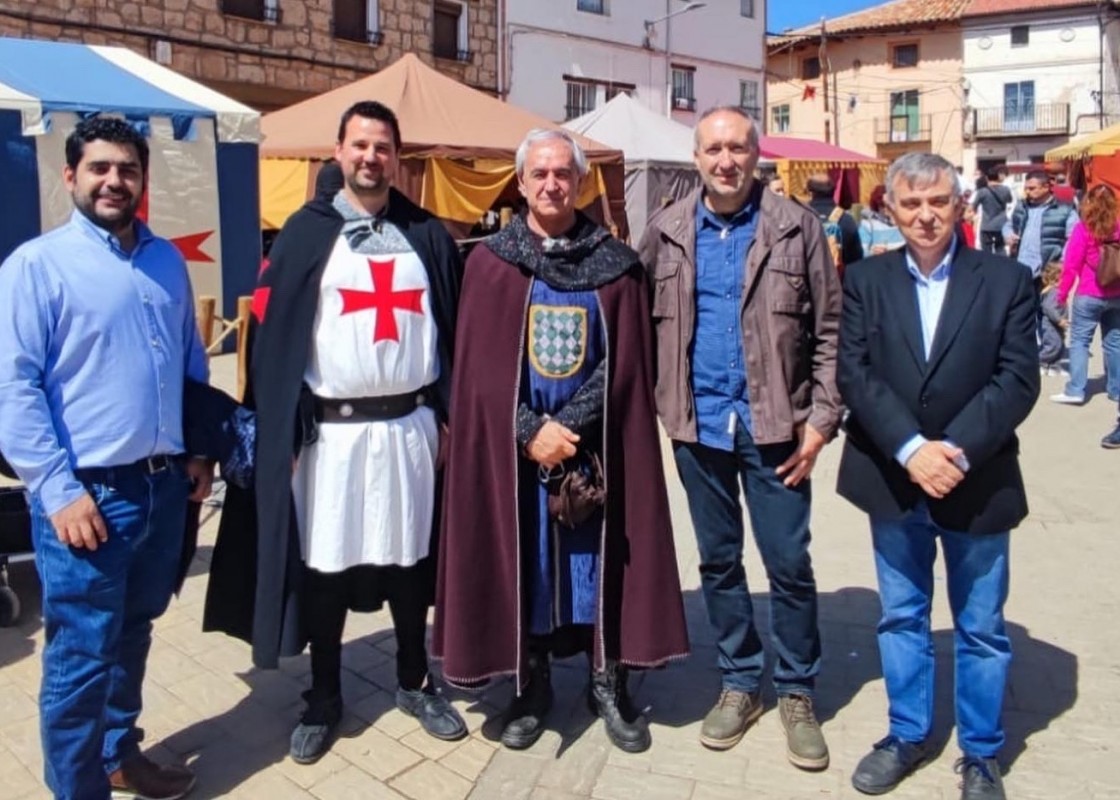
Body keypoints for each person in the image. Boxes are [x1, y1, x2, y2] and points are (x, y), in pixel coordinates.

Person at [202, 100, 467, 764]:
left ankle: (414, 677)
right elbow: (271, 343)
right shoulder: (303, 233)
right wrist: (279, 429)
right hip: (329, 437)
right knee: (325, 564)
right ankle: (323, 695)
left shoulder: (428, 235)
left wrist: (451, 419)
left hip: (410, 429)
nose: (370, 157)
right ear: (339, 152)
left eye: (382, 147)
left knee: (411, 558)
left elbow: (456, 335)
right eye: (359, 145)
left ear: (396, 157)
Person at [433, 129, 688, 754]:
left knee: (598, 564)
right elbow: (475, 372)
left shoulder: (617, 266)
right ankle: (532, 682)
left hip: (595, 447)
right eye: (539, 174)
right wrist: (527, 431)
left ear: (581, 183)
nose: (551, 184)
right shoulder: (490, 264)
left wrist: (568, 425)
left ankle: (606, 681)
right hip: (517, 454)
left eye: (563, 174)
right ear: (520, 183)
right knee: (531, 565)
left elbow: (629, 361)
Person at [0, 117, 211, 800]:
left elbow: (190, 360)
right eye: (100, 168)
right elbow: (13, 387)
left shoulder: (165, 261)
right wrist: (57, 492)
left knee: (135, 633)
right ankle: (78, 788)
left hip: (162, 489)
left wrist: (200, 449)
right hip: (87, 501)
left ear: (143, 180)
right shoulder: (36, 267)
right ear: (71, 177)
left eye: (127, 169)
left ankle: (120, 755)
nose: (114, 180)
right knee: (81, 659)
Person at [638, 106, 843, 770]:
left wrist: (822, 420)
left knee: (787, 562)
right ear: (696, 158)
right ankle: (737, 680)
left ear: (758, 155)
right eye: (712, 149)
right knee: (718, 561)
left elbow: (832, 330)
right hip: (698, 427)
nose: (725, 160)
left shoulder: (797, 228)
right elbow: (639, 325)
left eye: (737, 148)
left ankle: (796, 689)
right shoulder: (666, 231)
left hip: (778, 425)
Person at [836, 152, 1039, 800]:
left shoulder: (1005, 280)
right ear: (890, 210)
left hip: (975, 479)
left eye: (938, 202)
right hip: (893, 479)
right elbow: (854, 374)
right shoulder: (865, 281)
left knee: (980, 625)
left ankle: (980, 753)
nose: (926, 215)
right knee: (901, 615)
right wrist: (907, 447)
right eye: (912, 203)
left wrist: (951, 450)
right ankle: (907, 734)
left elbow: (1018, 379)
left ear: (959, 205)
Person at [1050, 183, 1120, 405]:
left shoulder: (1084, 229)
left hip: (1089, 293)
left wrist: (1061, 295)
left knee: (1080, 341)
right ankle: (1116, 390)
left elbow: (1071, 266)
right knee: (1114, 343)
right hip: (1117, 294)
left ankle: (1076, 390)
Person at [1004, 169, 1078, 283]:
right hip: (1020, 267)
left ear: (1046, 187)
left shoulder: (1065, 210)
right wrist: (1008, 234)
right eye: (1026, 188)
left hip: (1048, 271)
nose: (1027, 192)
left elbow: (1073, 239)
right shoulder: (1021, 207)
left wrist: (1062, 262)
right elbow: (1008, 224)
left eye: (1032, 188)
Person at [806, 172, 865, 271]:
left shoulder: (801, 217)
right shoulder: (846, 220)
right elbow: (857, 257)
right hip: (838, 280)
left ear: (810, 193)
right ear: (833, 191)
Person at [970, 168, 1012, 255]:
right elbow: (1009, 200)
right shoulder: (1006, 189)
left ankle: (988, 267)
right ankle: (1001, 266)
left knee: (986, 251)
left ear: (986, 178)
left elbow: (974, 206)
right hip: (1001, 224)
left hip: (986, 225)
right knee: (1000, 248)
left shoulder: (982, 192)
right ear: (998, 177)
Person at [1038, 261, 1068, 375]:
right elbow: (1049, 308)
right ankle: (1040, 362)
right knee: (1052, 345)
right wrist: (1059, 319)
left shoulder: (1058, 291)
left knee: (1060, 345)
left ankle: (1053, 366)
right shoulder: (1053, 292)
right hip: (1051, 324)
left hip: (1058, 324)